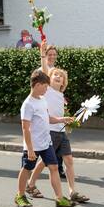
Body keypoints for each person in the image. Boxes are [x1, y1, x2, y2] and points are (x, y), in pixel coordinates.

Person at [25, 42, 90, 203]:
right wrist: (42, 54)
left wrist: (67, 119)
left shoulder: (60, 94)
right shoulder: (47, 90)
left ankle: (72, 191)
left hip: (61, 131)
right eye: (55, 75)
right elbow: (46, 71)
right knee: (44, 162)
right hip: (49, 130)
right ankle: (30, 183)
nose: (58, 77)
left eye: (61, 77)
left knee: (68, 160)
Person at [14, 70, 75, 207]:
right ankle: (20, 195)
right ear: (37, 85)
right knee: (26, 168)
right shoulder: (28, 104)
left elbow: (48, 119)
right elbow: (25, 128)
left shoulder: (42, 100)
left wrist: (62, 119)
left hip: (46, 142)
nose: (47, 89)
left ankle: (59, 199)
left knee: (53, 167)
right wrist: (29, 149)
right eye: (45, 86)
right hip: (33, 145)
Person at [39, 42, 66, 178]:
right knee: (50, 141)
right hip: (45, 108)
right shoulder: (42, 69)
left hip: (56, 108)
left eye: (54, 54)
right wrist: (42, 54)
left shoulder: (56, 70)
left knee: (59, 137)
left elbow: (59, 88)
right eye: (50, 54)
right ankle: (33, 168)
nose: (52, 56)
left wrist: (62, 98)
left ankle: (58, 167)